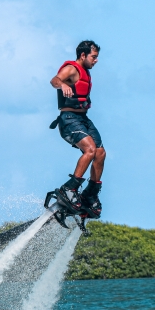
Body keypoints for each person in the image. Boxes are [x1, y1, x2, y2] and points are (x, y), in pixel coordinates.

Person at [49, 40, 105, 219]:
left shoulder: (86, 73)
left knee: (100, 153)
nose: (96, 60)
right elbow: (54, 80)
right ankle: (69, 188)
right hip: (69, 119)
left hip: (83, 119)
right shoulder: (72, 69)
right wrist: (63, 84)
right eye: (93, 57)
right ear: (83, 55)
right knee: (89, 150)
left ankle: (90, 193)